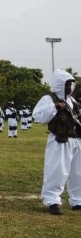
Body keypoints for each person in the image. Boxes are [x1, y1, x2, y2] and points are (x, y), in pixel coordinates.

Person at [32, 69, 81, 215]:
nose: (69, 88)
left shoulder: (71, 100)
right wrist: (54, 107)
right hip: (60, 140)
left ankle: (77, 200)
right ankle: (52, 200)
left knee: (78, 172)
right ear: (59, 84)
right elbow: (38, 116)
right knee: (57, 171)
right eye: (66, 85)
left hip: (76, 139)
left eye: (71, 85)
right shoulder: (49, 99)